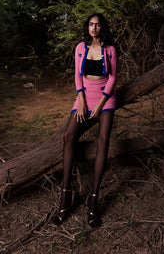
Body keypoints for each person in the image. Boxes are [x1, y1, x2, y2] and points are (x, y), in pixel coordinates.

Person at [54, 13, 117, 227]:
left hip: (105, 100)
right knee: (68, 136)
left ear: (102, 28)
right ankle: (66, 194)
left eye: (98, 25)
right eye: (91, 24)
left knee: (103, 142)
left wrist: (100, 105)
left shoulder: (110, 50)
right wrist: (81, 101)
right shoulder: (81, 47)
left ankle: (93, 200)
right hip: (84, 96)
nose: (94, 28)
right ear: (87, 27)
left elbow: (113, 78)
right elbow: (77, 75)